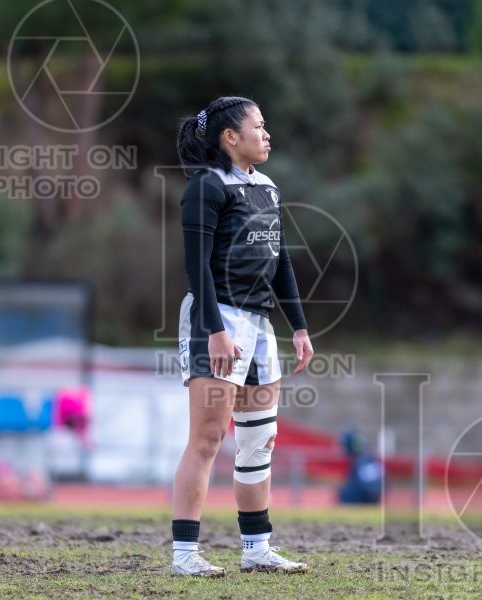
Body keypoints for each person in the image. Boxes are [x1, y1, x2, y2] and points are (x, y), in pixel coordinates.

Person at [171, 96, 314, 577]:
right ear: (230, 137)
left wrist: (299, 326)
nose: (267, 134)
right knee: (208, 438)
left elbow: (282, 261)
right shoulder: (206, 186)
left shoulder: (267, 188)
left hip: (259, 325)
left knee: (259, 440)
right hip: (218, 321)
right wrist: (214, 331)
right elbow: (196, 267)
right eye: (258, 126)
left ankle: (256, 548)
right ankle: (185, 554)